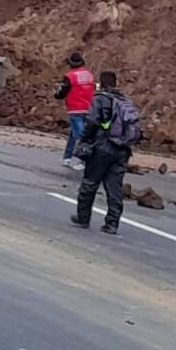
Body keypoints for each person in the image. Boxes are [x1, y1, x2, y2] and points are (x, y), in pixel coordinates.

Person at [70, 71, 139, 235]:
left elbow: (92, 121)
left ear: (101, 83)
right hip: (122, 150)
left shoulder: (100, 99)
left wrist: (83, 140)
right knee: (114, 186)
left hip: (102, 147)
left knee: (90, 183)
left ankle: (83, 217)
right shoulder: (125, 101)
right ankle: (112, 223)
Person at [53, 53, 95, 170]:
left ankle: (84, 161)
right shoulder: (89, 75)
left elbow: (63, 92)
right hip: (88, 107)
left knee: (80, 136)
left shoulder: (70, 76)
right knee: (74, 133)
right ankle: (67, 157)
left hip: (75, 108)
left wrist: (56, 94)